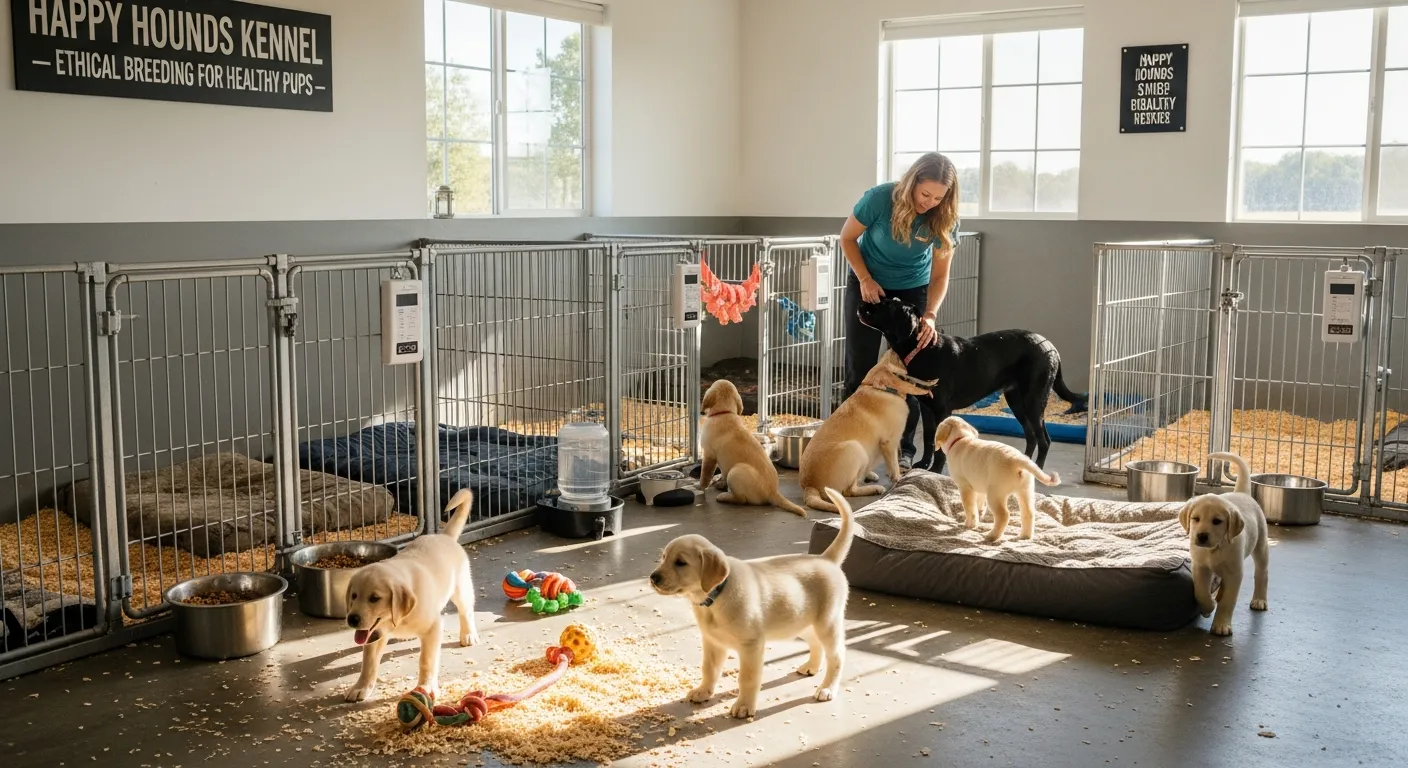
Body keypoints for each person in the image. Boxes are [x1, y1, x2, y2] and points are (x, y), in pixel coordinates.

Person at [839, 152, 960, 468]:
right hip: (869, 284)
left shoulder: (944, 216)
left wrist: (930, 313)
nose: (929, 202)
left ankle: (904, 450)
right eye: (925, 194)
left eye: (938, 197)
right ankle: (853, 449)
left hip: (913, 290)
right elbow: (847, 238)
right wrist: (864, 278)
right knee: (860, 368)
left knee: (912, 371)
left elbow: (940, 273)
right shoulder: (880, 198)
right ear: (912, 183)